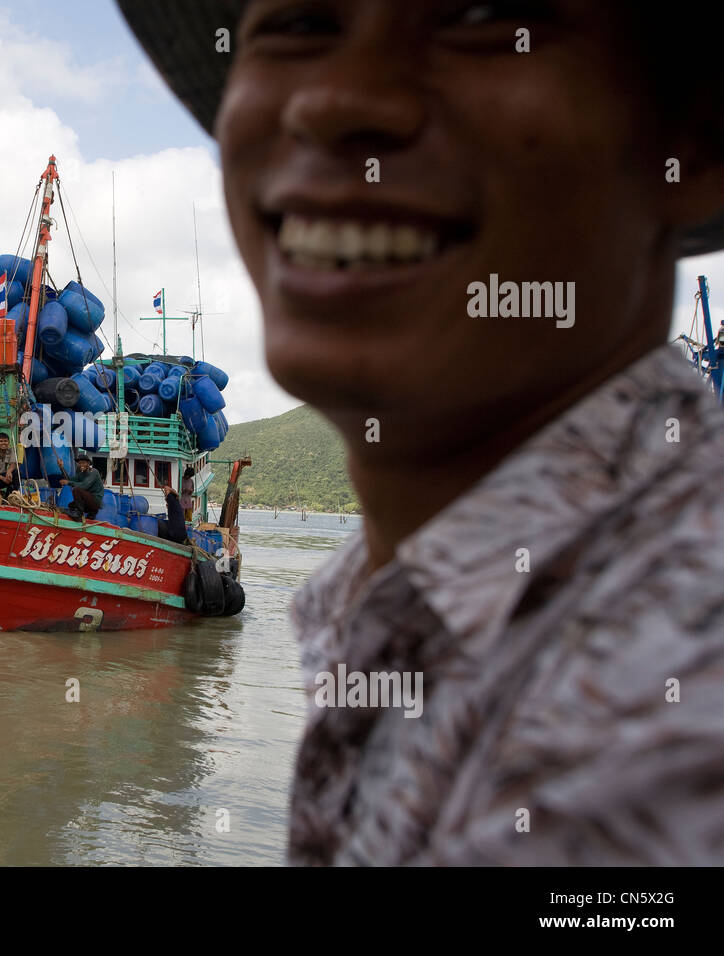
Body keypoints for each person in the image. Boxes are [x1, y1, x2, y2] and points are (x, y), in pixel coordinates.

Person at [119, 0, 724, 865]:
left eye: (479, 15)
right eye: (295, 23)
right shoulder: (384, 606)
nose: (335, 101)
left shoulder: (667, 712)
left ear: (691, 143)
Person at [60, 452, 104, 520]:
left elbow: (84, 486)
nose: (81, 465)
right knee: (71, 505)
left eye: (83, 463)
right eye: (80, 463)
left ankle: (79, 515)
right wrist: (62, 468)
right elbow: (69, 480)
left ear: (88, 464)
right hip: (88, 502)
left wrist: (68, 482)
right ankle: (90, 516)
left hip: (95, 502)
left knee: (76, 490)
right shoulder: (81, 474)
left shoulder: (93, 472)